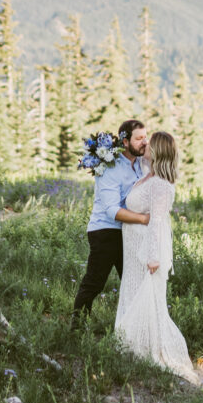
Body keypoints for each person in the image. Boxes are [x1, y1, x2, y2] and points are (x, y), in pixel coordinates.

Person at [115, 131, 197, 382]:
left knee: (148, 300)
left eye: (149, 143)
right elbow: (128, 158)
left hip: (145, 253)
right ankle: (131, 346)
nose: (145, 145)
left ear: (159, 151)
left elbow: (157, 223)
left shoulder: (160, 184)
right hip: (132, 249)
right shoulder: (148, 174)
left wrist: (153, 257)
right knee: (132, 294)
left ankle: (149, 349)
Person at [71, 119, 150, 329]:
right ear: (125, 141)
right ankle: (76, 329)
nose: (145, 142)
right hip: (105, 231)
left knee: (134, 282)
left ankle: (132, 330)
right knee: (95, 283)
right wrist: (144, 219)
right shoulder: (110, 167)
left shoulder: (141, 164)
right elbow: (112, 210)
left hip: (129, 232)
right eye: (139, 138)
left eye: (146, 137)